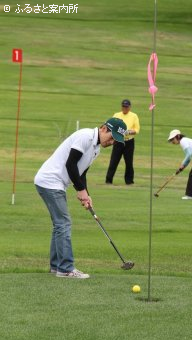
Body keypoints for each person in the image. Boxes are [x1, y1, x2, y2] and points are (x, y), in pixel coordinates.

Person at [34, 118, 127, 279]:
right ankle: (66, 268)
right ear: (104, 128)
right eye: (111, 137)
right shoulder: (85, 136)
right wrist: (80, 190)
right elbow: (70, 164)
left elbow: (81, 172)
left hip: (54, 183)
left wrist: (86, 194)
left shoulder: (96, 148)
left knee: (59, 225)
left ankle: (56, 267)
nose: (112, 142)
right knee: (63, 223)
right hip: (50, 181)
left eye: (115, 141)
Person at [105, 99, 140, 185]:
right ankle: (108, 180)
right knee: (114, 160)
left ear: (130, 107)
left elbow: (137, 129)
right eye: (123, 106)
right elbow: (111, 126)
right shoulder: (117, 115)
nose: (125, 108)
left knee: (129, 162)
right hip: (118, 141)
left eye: (126, 107)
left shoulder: (134, 116)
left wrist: (129, 132)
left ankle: (129, 181)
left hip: (129, 141)